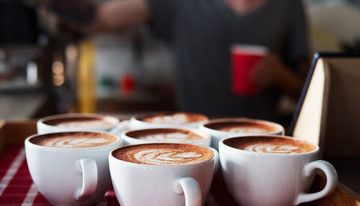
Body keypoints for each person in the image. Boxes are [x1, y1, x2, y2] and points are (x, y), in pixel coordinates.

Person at [44, 0, 310, 121]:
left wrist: (281, 74)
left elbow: (311, 92)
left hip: (259, 139)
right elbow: (99, 18)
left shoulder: (288, 6)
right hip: (194, 138)